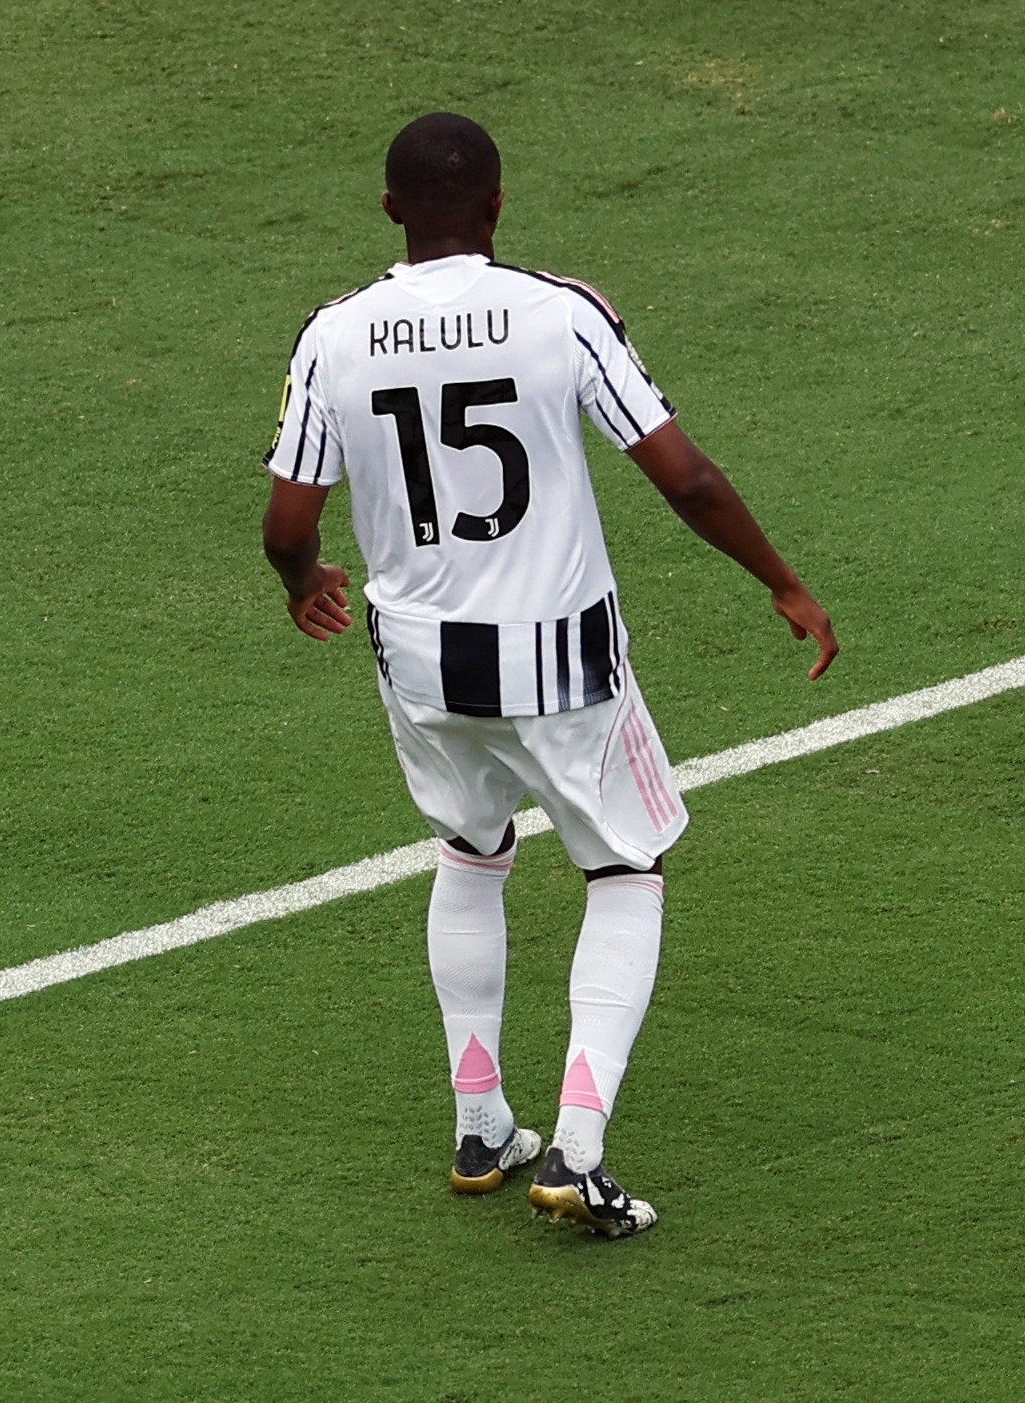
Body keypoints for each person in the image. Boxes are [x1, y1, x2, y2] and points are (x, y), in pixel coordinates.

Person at [260, 112, 838, 1236]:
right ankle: (577, 1150)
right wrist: (782, 581)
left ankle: (481, 1121)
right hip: (559, 655)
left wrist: (302, 580)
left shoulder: (333, 333)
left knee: (470, 853)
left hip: (418, 660)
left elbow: (289, 521)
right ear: (496, 204)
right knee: (624, 867)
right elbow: (686, 476)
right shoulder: (561, 312)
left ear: (388, 210)